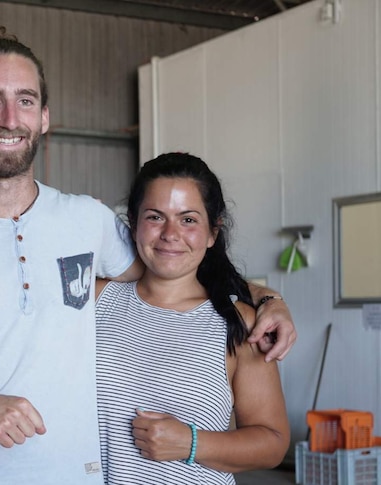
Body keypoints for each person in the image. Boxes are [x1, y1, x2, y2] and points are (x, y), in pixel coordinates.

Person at [0, 26, 296, 485]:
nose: (11, 117)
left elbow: (174, 266)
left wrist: (265, 299)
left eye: (26, 100)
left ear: (45, 117)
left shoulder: (87, 222)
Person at [95, 152, 290, 484]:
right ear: (134, 223)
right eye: (155, 217)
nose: (171, 233)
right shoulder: (96, 301)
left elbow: (272, 443)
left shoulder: (240, 324)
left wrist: (191, 443)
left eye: (188, 220)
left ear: (212, 233)